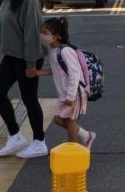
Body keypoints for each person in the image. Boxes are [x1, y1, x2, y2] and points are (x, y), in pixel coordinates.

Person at [0, 0, 48, 159]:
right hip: (13, 54)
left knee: (29, 99)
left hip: (27, 55)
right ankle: (15, 136)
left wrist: (31, 63)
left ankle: (39, 141)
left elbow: (32, 31)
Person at [35, 16, 96, 149]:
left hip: (74, 92)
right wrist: (38, 73)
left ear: (56, 36)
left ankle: (72, 151)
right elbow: (56, 70)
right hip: (66, 92)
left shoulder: (66, 51)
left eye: (45, 33)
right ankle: (86, 136)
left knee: (69, 122)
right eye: (42, 32)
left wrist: (70, 96)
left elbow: (74, 74)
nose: (42, 36)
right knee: (58, 119)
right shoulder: (53, 50)